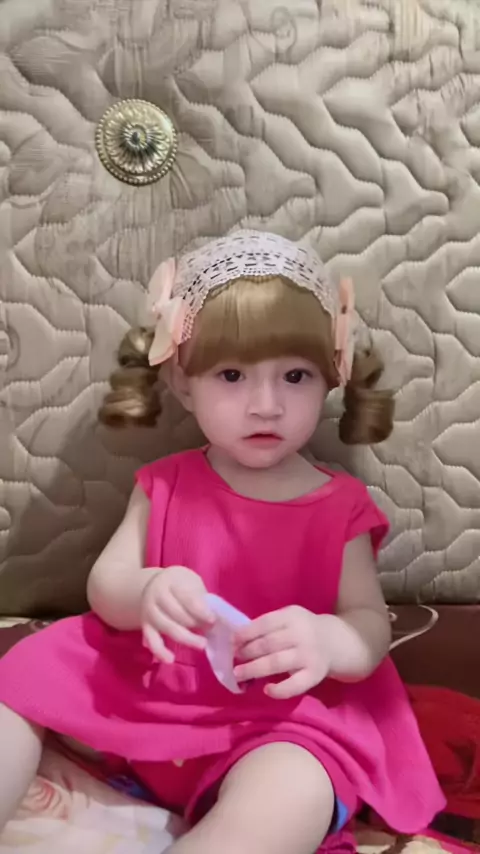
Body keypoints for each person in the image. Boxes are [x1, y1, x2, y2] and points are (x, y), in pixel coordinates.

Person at [0, 230, 444, 854]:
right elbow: (106, 585)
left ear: (331, 378)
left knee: (296, 785)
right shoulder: (166, 482)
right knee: (19, 677)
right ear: (183, 382)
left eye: (295, 376)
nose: (266, 405)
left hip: (278, 712)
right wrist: (147, 590)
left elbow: (368, 623)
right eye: (232, 375)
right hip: (153, 686)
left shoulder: (340, 504)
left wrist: (327, 640)